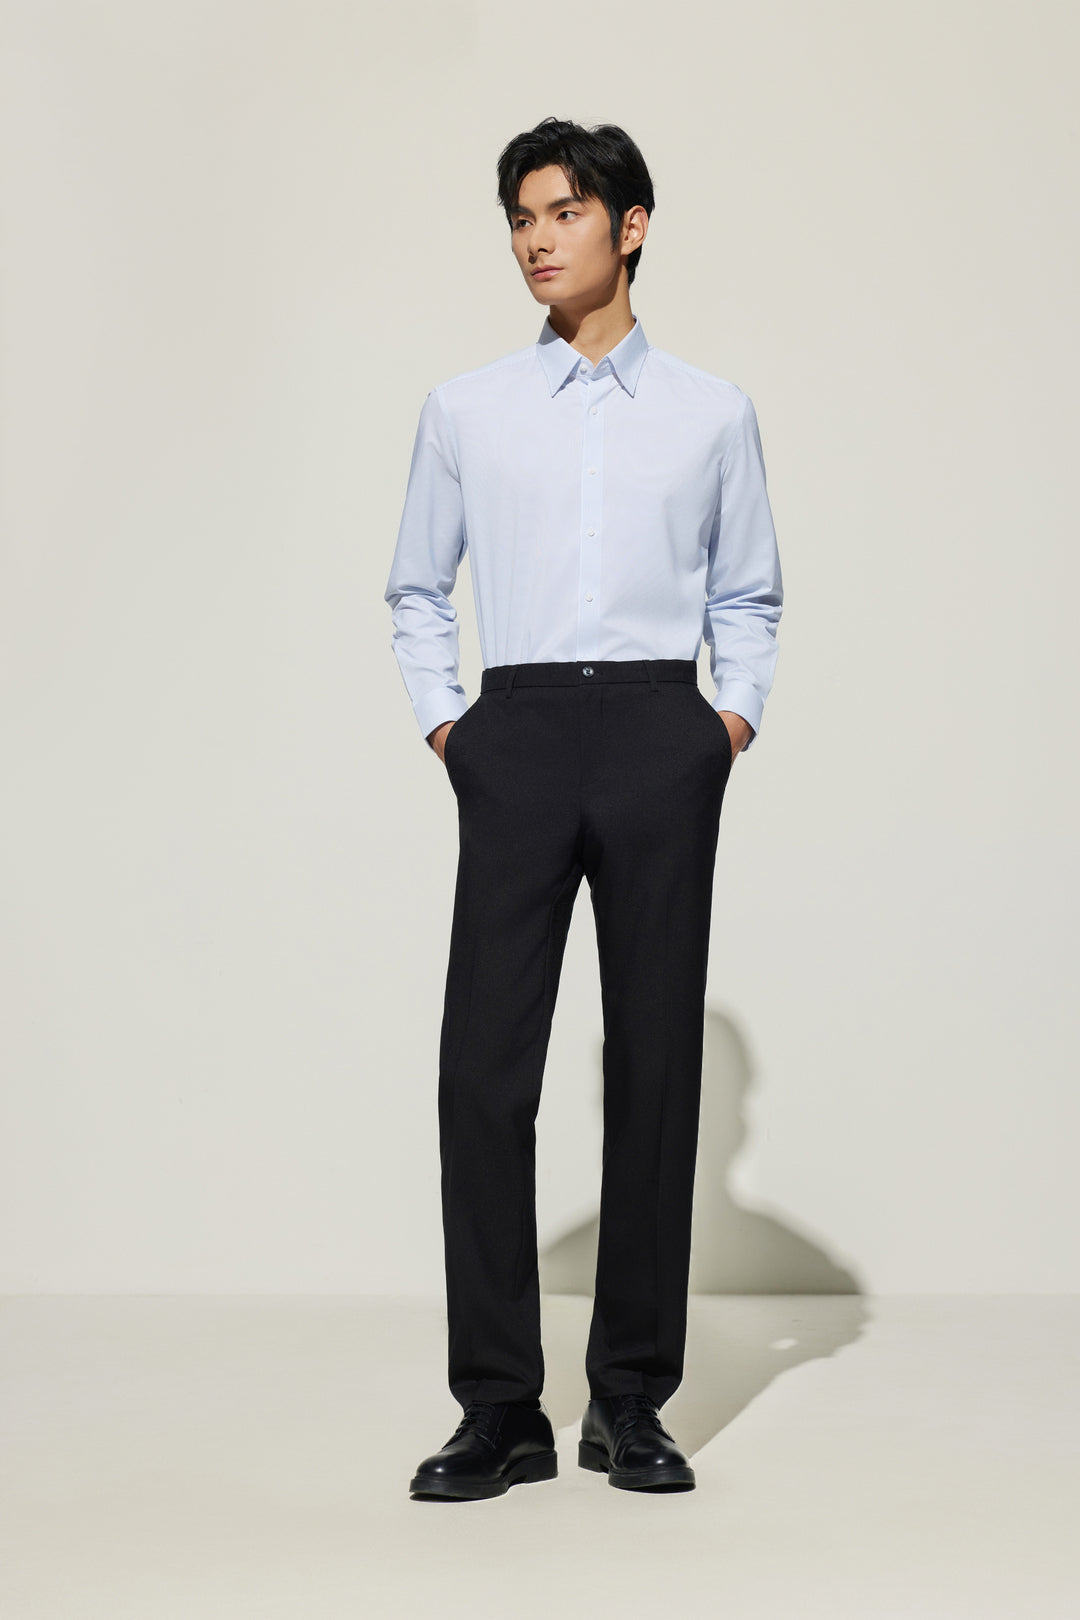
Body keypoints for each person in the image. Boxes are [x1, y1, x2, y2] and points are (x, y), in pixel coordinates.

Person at [384, 116, 783, 1501]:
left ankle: (630, 1401)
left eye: (562, 211)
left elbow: (750, 593)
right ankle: (500, 1407)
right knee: (483, 1072)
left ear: (632, 226)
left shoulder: (712, 413)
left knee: (656, 1068)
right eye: (519, 216)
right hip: (520, 730)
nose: (535, 239)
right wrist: (454, 726)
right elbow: (415, 585)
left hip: (663, 732)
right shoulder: (468, 408)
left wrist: (725, 723)